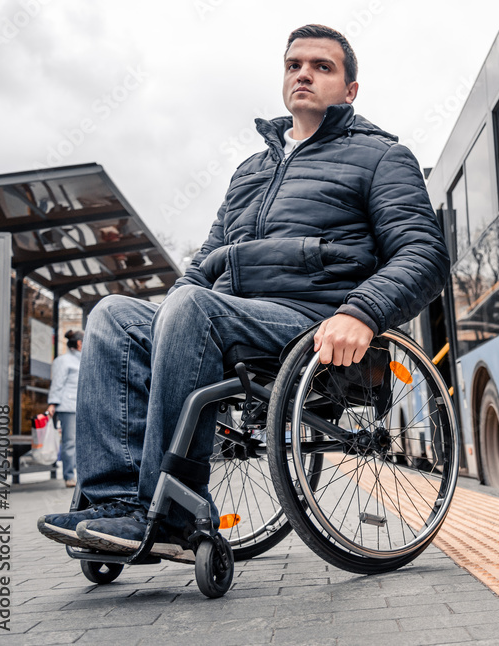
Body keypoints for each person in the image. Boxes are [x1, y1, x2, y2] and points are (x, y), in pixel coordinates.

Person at [37, 24, 450, 562]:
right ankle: (112, 507)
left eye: (322, 67)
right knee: (115, 314)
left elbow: (424, 256)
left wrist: (363, 313)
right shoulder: (249, 172)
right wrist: (166, 315)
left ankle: (170, 515)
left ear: (350, 90)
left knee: (193, 308)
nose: (304, 73)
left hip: (314, 321)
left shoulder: (381, 158)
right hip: (230, 311)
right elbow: (205, 264)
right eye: (294, 64)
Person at [46, 330, 83, 487]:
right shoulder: (63, 360)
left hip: (81, 406)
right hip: (68, 406)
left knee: (80, 442)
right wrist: (52, 404)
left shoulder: (82, 360)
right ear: (79, 343)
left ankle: (80, 476)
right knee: (69, 442)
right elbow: (58, 383)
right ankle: (69, 476)